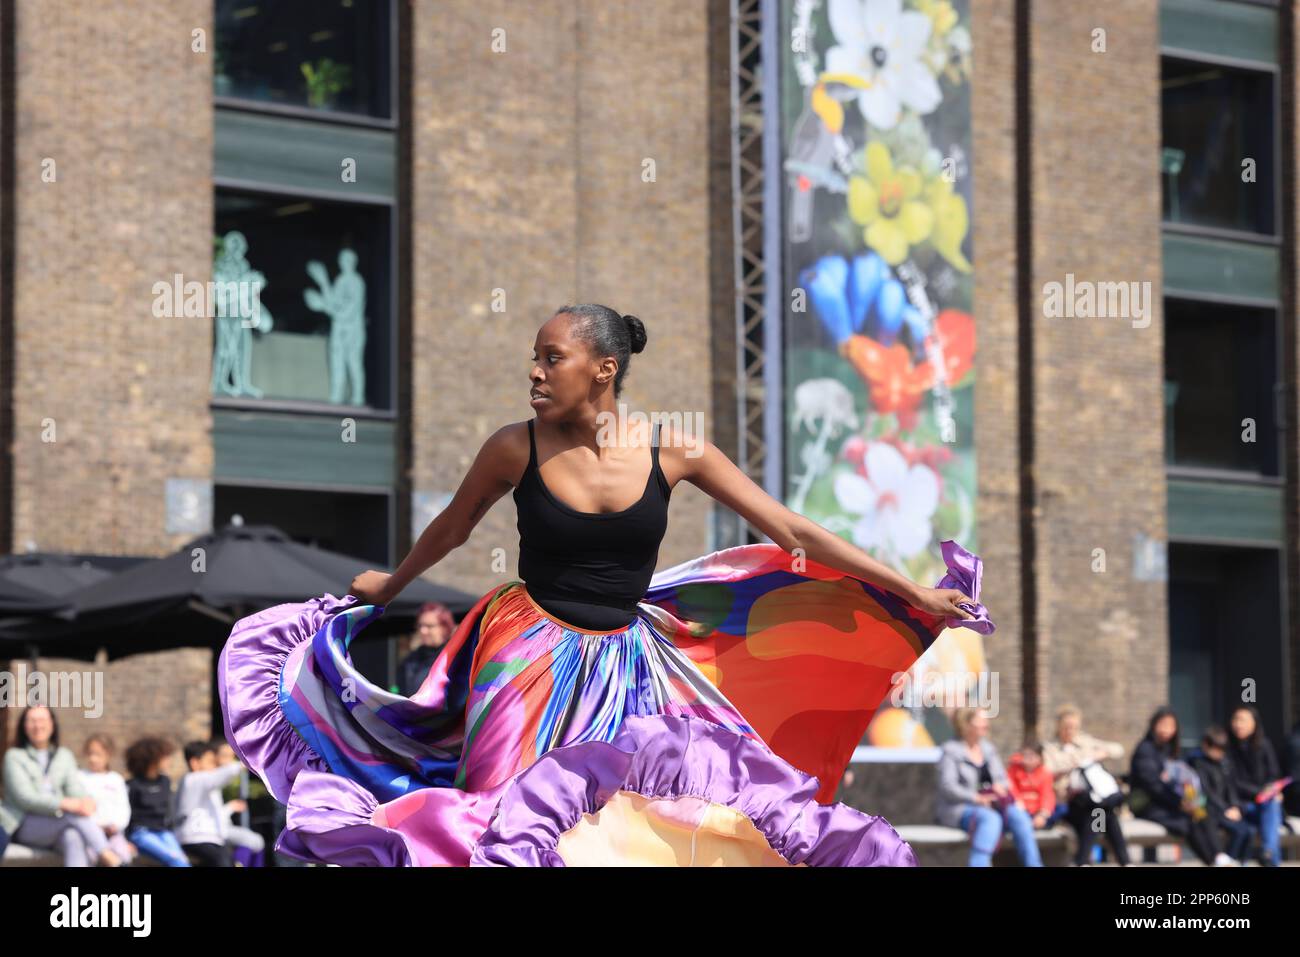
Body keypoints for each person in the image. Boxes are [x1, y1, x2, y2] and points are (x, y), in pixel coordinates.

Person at [219, 304, 991, 867]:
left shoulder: (675, 450)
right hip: (522, 654)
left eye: (551, 357)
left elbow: (794, 532)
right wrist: (391, 584)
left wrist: (912, 591)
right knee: (498, 821)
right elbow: (453, 529)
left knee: (608, 825)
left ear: (604, 369)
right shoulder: (512, 448)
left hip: (627, 665)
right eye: (535, 355)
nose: (534, 370)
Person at [0, 707, 121, 867]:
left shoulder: (64, 755)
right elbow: (25, 798)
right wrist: (65, 804)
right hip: (24, 823)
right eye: (32, 721)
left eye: (42, 720)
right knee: (72, 815)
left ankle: (76, 892)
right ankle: (109, 856)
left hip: (58, 824)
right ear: (24, 725)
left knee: (73, 837)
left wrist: (87, 801)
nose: (37, 726)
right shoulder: (14, 756)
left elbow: (75, 789)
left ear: (52, 724)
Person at [935, 709, 1042, 867]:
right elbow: (947, 787)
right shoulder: (950, 750)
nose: (986, 724)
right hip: (961, 808)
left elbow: (1003, 779)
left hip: (994, 804)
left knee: (1020, 817)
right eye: (981, 720)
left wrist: (999, 787)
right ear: (966, 725)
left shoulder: (988, 749)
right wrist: (976, 798)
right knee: (991, 819)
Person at [1128, 707, 1233, 866]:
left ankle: (1218, 856)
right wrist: (1179, 802)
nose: (1166, 730)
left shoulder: (1169, 749)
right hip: (1146, 804)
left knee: (1202, 812)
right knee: (1187, 822)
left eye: (1171, 726)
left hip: (1169, 803)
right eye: (1163, 724)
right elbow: (1153, 786)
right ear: (1153, 725)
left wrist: (1188, 799)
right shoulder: (1145, 750)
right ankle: (1214, 860)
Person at [1042, 704, 1130, 866]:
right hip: (1066, 802)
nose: (1070, 731)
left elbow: (1118, 749)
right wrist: (1071, 766)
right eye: (1066, 727)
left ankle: (1084, 862)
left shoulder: (1085, 742)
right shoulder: (1050, 749)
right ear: (1059, 726)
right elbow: (1046, 774)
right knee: (1101, 814)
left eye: (1074, 727)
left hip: (1090, 800)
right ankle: (1120, 862)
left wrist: (1098, 754)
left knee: (1102, 813)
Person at [1226, 705, 1283, 866]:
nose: (1238, 724)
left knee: (1271, 804)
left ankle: (1267, 852)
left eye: (1242, 720)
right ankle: (1269, 854)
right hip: (1241, 805)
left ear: (1254, 724)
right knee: (1270, 808)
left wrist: (1273, 789)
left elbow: (1274, 774)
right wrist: (1261, 792)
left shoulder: (1264, 745)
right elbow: (1231, 782)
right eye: (1235, 719)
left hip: (1263, 804)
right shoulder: (1227, 748)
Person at [175, 740, 245, 866]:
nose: (214, 766)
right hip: (196, 838)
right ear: (195, 763)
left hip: (211, 839)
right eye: (210, 762)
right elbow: (218, 776)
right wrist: (244, 763)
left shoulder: (207, 785)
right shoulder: (193, 779)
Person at [1189, 726, 1252, 863]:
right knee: (1239, 831)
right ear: (1206, 745)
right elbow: (1206, 792)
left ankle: (1236, 862)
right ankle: (1226, 862)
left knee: (1248, 831)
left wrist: (1235, 806)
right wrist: (1225, 809)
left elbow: (1230, 788)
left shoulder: (1224, 763)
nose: (1220, 753)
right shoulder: (1197, 763)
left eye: (1223, 749)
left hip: (1227, 809)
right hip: (1211, 811)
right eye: (1217, 748)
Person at [125, 737, 189, 867]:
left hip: (164, 832)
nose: (169, 761)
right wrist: (125, 840)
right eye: (165, 757)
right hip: (141, 833)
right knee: (175, 860)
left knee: (183, 861)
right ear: (152, 759)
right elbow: (126, 815)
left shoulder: (165, 781)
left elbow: (169, 810)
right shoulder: (133, 785)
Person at [78, 734, 137, 865]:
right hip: (89, 834)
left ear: (108, 755)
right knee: (89, 856)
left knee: (124, 855)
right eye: (90, 754)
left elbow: (123, 808)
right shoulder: (80, 778)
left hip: (114, 833)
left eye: (98, 754)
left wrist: (116, 825)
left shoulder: (116, 779)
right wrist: (97, 826)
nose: (93, 759)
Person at [214, 739, 266, 867]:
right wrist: (230, 807)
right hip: (213, 829)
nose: (229, 761)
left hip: (223, 826)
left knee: (257, 842)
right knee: (251, 841)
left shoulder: (223, 779)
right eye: (225, 756)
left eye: (232, 757)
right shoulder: (210, 779)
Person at [396, 602, 455, 697]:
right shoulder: (410, 660)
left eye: (429, 626)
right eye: (420, 626)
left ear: (445, 628)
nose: (423, 631)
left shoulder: (454, 658)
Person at [1006, 739, 1055, 829]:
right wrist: (1018, 802)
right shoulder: (1014, 770)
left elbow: (1047, 794)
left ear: (1039, 758)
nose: (1027, 758)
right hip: (1020, 808)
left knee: (1061, 809)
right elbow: (1011, 789)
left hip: (1037, 809)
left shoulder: (1045, 773)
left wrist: (1042, 814)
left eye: (1032, 755)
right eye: (1025, 755)